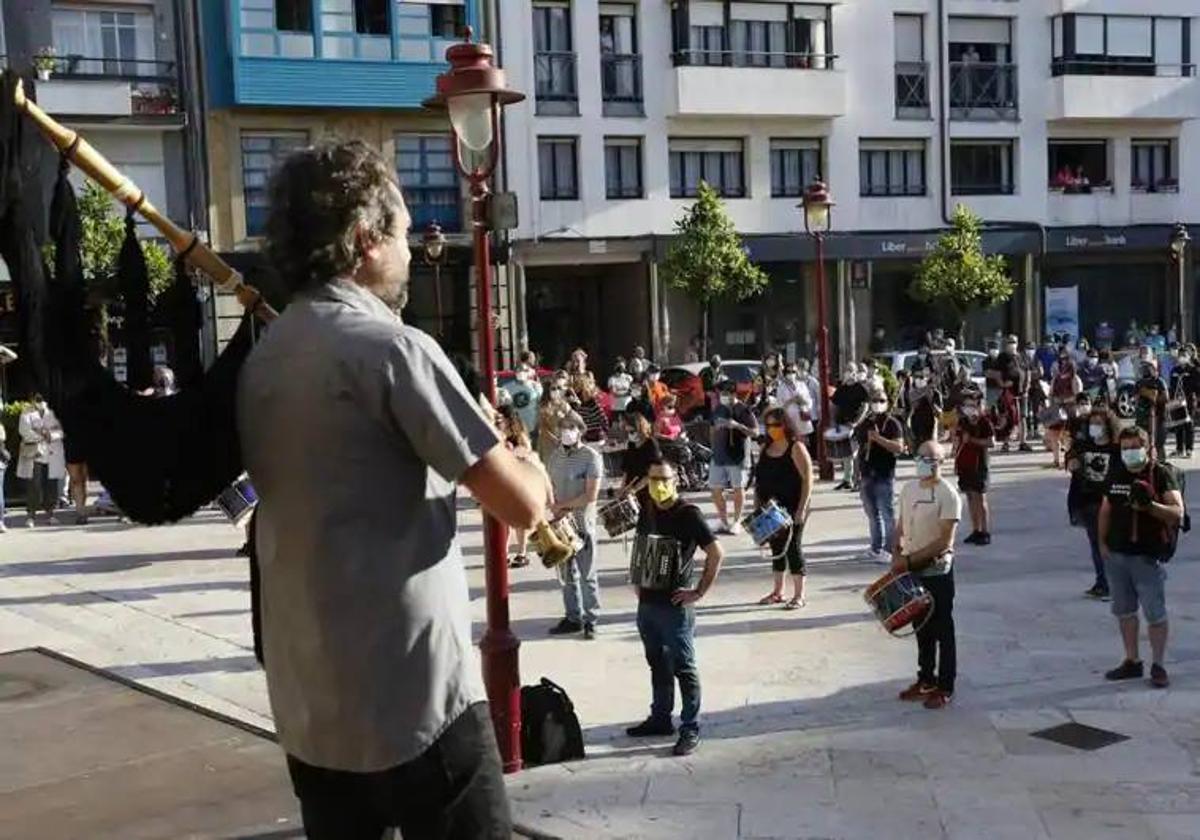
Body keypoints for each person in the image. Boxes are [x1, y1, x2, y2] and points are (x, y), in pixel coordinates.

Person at [236, 141, 548, 838]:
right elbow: (522, 505)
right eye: (404, 233)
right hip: (414, 697)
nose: (411, 251)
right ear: (366, 240)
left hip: (311, 703)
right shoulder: (393, 348)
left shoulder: (267, 357)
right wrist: (525, 458)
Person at [625, 460, 725, 757]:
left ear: (676, 480)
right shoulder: (647, 508)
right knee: (657, 662)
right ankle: (660, 717)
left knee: (684, 667)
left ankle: (690, 726)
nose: (658, 485)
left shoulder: (688, 514)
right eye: (653, 479)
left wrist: (699, 591)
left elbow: (716, 552)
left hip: (674, 606)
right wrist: (636, 578)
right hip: (647, 603)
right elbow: (640, 544)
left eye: (664, 479)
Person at [1098, 427, 1184, 689]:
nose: (1129, 452)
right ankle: (1131, 660)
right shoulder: (1116, 474)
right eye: (1124, 448)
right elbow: (1105, 510)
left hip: (1146, 556)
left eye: (1134, 447)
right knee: (1124, 611)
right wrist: (1102, 544)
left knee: (1154, 613)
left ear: (1146, 448)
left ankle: (1158, 665)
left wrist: (1150, 506)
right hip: (1117, 554)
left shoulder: (1161, 474)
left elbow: (1177, 512)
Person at [893, 440, 962, 709]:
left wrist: (909, 561)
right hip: (911, 568)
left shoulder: (948, 495)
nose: (926, 463)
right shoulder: (909, 489)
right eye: (922, 458)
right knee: (920, 626)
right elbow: (900, 525)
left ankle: (945, 685)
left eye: (932, 459)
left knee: (942, 628)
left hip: (936, 569)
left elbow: (945, 541)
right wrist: (897, 552)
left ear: (942, 463)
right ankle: (925, 678)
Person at [546, 412, 604, 639]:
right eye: (563, 428)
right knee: (566, 575)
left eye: (571, 427)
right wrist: (552, 506)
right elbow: (550, 485)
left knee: (587, 574)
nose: (566, 432)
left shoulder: (591, 457)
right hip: (560, 524)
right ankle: (573, 617)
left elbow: (591, 495)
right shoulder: (555, 456)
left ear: (580, 430)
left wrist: (563, 506)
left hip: (582, 524)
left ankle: (592, 619)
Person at [754, 407, 813, 610]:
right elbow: (758, 481)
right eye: (769, 425)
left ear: (785, 425)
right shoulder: (765, 449)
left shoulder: (795, 447)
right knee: (776, 549)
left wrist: (801, 508)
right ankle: (778, 591)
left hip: (793, 505)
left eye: (776, 425)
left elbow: (808, 479)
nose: (772, 429)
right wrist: (757, 507)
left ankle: (799, 594)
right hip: (771, 508)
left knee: (793, 548)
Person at [1066, 405, 1120, 600]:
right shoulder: (1083, 446)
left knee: (1108, 544)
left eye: (1098, 423)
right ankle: (1102, 582)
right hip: (1088, 501)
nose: (1094, 427)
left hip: (1110, 501)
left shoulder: (1116, 448)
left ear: (1108, 426)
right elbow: (1071, 459)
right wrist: (1071, 461)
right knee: (1096, 544)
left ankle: (1111, 583)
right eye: (1091, 423)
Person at [854, 389, 905, 563]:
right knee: (872, 514)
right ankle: (875, 547)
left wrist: (879, 439)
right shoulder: (866, 422)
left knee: (886, 513)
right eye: (875, 400)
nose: (878, 403)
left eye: (881, 400)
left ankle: (889, 549)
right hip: (867, 473)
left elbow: (899, 448)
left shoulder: (892, 424)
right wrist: (857, 474)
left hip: (884, 474)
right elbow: (859, 448)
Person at [709, 381, 758, 534]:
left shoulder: (744, 410)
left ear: (733, 394)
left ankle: (736, 521)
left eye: (725, 394)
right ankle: (723, 521)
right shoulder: (718, 409)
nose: (722, 397)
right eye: (720, 394)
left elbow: (755, 432)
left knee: (738, 488)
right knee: (716, 489)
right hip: (719, 455)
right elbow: (712, 427)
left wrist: (737, 426)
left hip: (738, 455)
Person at [497, 405, 539, 570]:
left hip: (518, 479)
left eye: (501, 418)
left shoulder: (519, 435)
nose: (498, 421)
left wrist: (511, 452)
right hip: (502, 480)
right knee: (504, 521)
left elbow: (526, 453)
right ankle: (504, 553)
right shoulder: (498, 434)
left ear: (508, 419)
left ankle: (522, 553)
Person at [17, 395, 65, 527]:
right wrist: (43, 435)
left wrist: (51, 434)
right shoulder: (27, 412)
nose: (40, 402)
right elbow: (24, 431)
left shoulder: (55, 411)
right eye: (37, 399)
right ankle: (31, 515)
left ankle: (50, 513)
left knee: (51, 483)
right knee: (34, 484)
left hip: (52, 451)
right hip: (35, 452)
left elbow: (62, 429)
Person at [955, 394, 994, 545]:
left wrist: (972, 440)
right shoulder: (963, 421)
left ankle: (985, 531)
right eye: (966, 405)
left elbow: (991, 442)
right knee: (970, 497)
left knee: (980, 497)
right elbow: (958, 442)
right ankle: (975, 529)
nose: (969, 409)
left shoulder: (984, 422)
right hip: (964, 464)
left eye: (972, 405)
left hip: (979, 464)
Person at [832, 365, 870, 491]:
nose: (847, 374)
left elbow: (865, 407)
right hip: (842, 424)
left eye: (850, 371)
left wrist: (857, 422)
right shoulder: (841, 389)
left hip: (855, 424)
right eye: (846, 371)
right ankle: (847, 479)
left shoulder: (860, 388)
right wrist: (835, 422)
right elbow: (835, 405)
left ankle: (858, 480)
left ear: (855, 373)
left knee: (854, 453)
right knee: (846, 453)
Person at [1045, 353, 1082, 469]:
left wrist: (1065, 400)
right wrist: (1052, 404)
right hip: (1056, 410)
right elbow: (1050, 394)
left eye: (1066, 362)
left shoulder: (1075, 378)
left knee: (1068, 436)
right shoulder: (1056, 379)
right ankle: (1056, 460)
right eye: (1062, 362)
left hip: (1070, 410)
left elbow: (1078, 395)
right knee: (1054, 436)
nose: (1064, 364)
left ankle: (1069, 458)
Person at [620, 411, 662, 510]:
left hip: (649, 487)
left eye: (632, 432)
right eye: (628, 432)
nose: (630, 435)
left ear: (641, 429)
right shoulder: (631, 444)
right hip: (632, 487)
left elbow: (653, 472)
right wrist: (622, 488)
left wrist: (635, 488)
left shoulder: (651, 444)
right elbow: (626, 468)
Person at [1134, 360, 1169, 462]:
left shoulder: (1159, 381)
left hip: (1159, 417)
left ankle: (1161, 464)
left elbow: (1166, 397)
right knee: (1143, 443)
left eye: (1149, 369)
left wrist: (1152, 397)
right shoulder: (1139, 383)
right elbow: (1136, 400)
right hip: (1143, 418)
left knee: (1158, 444)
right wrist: (1146, 394)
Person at [1169, 347, 1197, 458]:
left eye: (1184, 355)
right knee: (1178, 424)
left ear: (1189, 356)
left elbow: (1197, 386)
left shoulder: (1193, 370)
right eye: (1180, 355)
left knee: (1189, 424)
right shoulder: (1175, 370)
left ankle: (1189, 449)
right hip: (1177, 400)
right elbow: (1172, 386)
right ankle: (1179, 449)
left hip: (1189, 400)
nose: (1182, 357)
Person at [775, 362, 814, 442]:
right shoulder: (781, 388)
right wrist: (791, 400)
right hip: (789, 420)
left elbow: (809, 401)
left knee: (803, 444)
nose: (791, 374)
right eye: (789, 372)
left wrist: (802, 400)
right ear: (785, 373)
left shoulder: (802, 385)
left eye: (793, 372)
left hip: (802, 419)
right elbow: (779, 406)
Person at [536, 379, 572, 463]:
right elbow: (542, 427)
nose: (556, 391)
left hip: (563, 442)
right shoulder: (543, 406)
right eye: (553, 389)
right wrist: (554, 439)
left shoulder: (565, 405)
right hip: (547, 443)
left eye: (558, 388)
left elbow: (571, 423)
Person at [576, 379, 610, 444]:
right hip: (587, 435)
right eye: (583, 394)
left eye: (586, 393)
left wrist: (605, 431)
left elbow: (603, 418)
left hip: (597, 434)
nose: (585, 395)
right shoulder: (580, 406)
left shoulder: (594, 404)